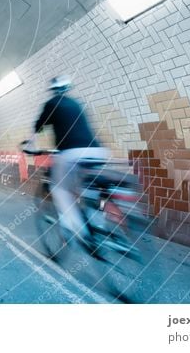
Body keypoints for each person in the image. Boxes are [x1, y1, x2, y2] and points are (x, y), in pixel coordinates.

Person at [24, 75, 110, 252]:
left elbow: (38, 127)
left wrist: (31, 145)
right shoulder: (76, 104)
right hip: (97, 151)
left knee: (59, 189)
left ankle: (82, 234)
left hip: (71, 152)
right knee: (89, 190)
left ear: (54, 90)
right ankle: (99, 227)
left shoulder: (52, 103)